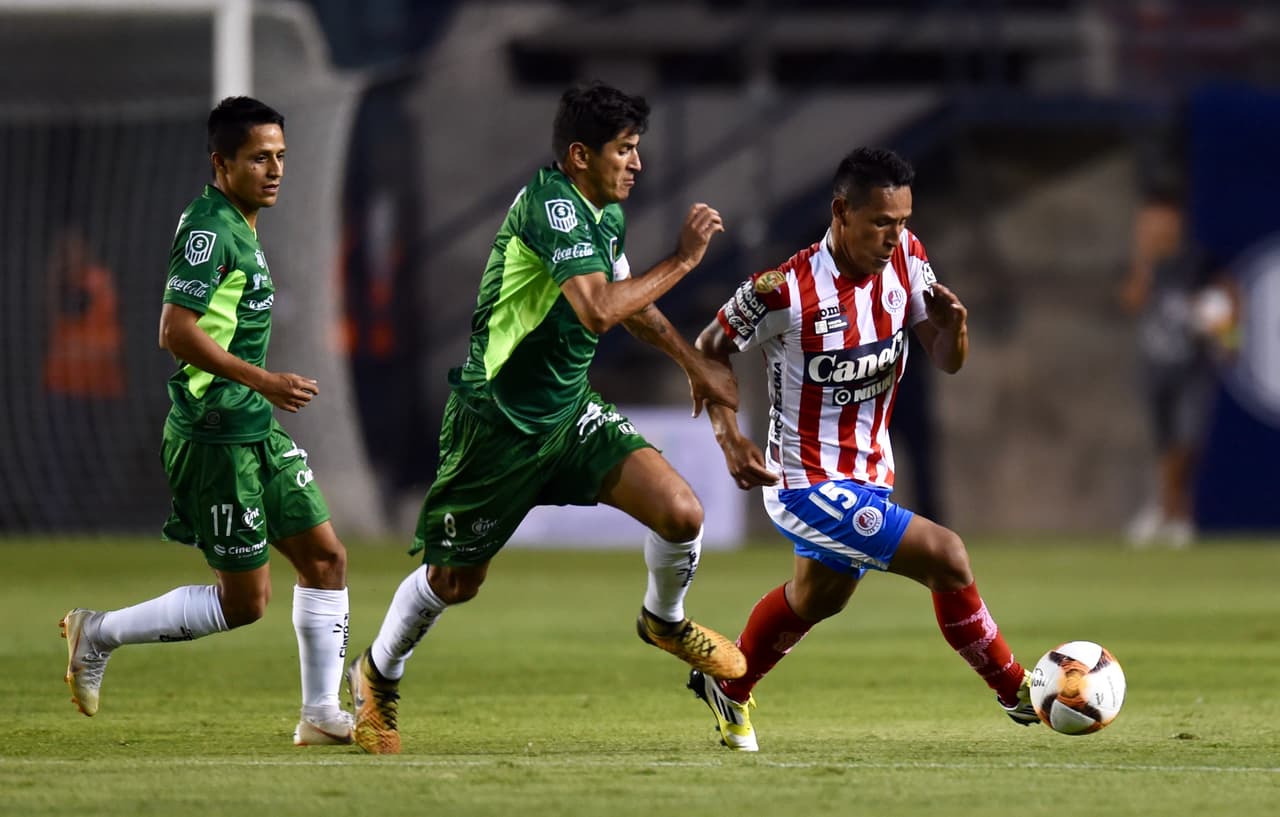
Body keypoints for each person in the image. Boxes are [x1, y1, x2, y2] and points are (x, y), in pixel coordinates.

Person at [345, 81, 747, 755]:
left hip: (566, 413)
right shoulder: (551, 209)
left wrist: (690, 361)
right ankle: (375, 675)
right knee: (455, 581)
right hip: (496, 424)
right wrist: (682, 259)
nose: (638, 164)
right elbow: (596, 309)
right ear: (581, 154)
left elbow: (630, 304)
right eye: (625, 149)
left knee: (682, 511)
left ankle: (664, 620)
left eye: (640, 148)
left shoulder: (603, 213)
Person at [687, 147, 1037, 752]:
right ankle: (1018, 691)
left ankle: (730, 685)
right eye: (881, 222)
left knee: (818, 597)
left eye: (902, 222)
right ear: (840, 212)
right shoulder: (784, 290)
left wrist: (955, 329)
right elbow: (708, 346)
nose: (893, 236)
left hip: (868, 475)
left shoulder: (909, 259)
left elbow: (946, 360)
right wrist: (728, 436)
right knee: (947, 556)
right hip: (802, 483)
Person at [59, 97, 355, 747]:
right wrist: (265, 379)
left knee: (326, 557)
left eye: (280, 156)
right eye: (258, 158)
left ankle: (321, 712)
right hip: (213, 434)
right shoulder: (209, 231)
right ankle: (98, 631)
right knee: (246, 602)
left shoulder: (242, 224)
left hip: (251, 424)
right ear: (221, 164)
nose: (275, 169)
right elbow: (174, 330)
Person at [1119, 171, 1222, 549]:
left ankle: (1168, 508)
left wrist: (1225, 334)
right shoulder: (1148, 264)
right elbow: (1130, 301)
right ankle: (1173, 512)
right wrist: (1144, 261)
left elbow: (1226, 303)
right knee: (1165, 442)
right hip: (1155, 364)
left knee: (1186, 440)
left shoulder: (1197, 262)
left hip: (1191, 366)